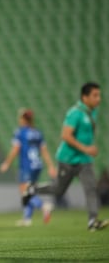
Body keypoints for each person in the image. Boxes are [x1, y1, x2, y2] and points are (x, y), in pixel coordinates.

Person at [32, 82, 108, 231]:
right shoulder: (75, 113)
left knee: (91, 188)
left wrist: (87, 151)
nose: (98, 99)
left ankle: (93, 221)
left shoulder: (93, 112)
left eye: (99, 95)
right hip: (68, 158)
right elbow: (66, 135)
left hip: (84, 160)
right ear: (84, 97)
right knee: (58, 189)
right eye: (95, 95)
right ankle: (32, 189)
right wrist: (86, 148)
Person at [0, 109, 56, 227]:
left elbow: (15, 149)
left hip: (26, 165)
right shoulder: (38, 132)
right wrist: (51, 166)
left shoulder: (20, 132)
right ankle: (27, 218)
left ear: (22, 119)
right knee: (30, 191)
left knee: (25, 192)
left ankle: (43, 206)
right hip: (37, 166)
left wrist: (7, 163)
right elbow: (44, 151)